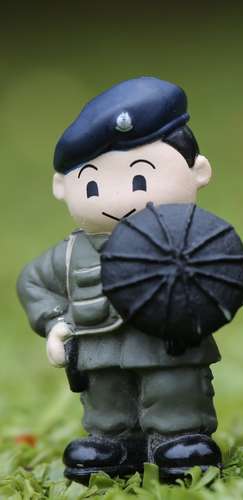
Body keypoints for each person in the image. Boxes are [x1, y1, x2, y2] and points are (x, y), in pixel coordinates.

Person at [17, 77, 222, 483]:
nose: (121, 199)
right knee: (107, 400)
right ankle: (113, 442)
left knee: (175, 392)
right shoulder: (72, 254)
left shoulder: (194, 238)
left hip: (170, 349)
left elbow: (229, 277)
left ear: (198, 171)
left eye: (140, 180)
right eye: (93, 184)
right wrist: (55, 323)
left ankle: (179, 439)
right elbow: (34, 284)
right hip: (99, 351)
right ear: (62, 187)